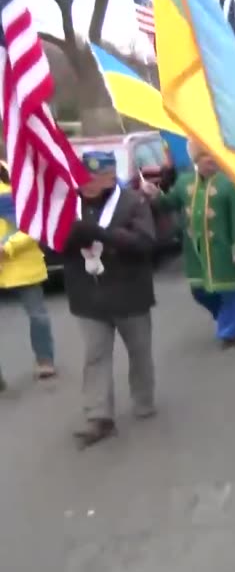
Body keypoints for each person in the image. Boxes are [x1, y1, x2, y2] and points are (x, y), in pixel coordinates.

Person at [62, 151, 157, 446]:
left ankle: (143, 400)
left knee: (139, 352)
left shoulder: (132, 201)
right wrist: (69, 238)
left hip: (129, 293)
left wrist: (103, 234)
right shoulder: (67, 203)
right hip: (88, 296)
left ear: (110, 176)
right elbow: (51, 245)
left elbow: (145, 242)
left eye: (94, 177)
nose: (87, 184)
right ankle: (99, 416)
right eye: (82, 177)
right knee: (95, 356)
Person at [141, 141, 235, 347]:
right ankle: (226, 318)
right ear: (196, 161)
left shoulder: (229, 183)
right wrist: (153, 194)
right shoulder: (185, 182)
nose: (210, 162)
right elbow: (169, 203)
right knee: (200, 292)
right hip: (195, 250)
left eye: (213, 157)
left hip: (224, 248)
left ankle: (230, 331)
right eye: (205, 158)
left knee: (231, 291)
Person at [0, 190, 57, 380]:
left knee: (37, 316)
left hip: (22, 264)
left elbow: (32, 225)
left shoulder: (13, 182)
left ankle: (45, 360)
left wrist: (7, 247)